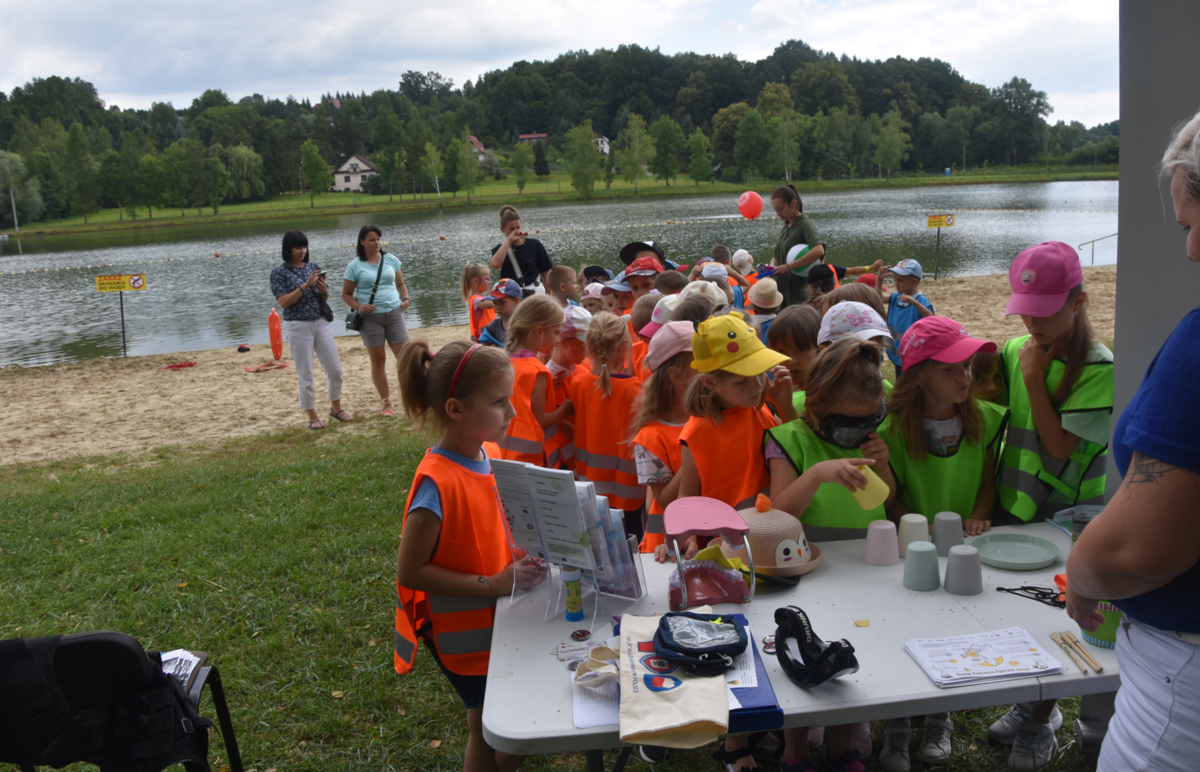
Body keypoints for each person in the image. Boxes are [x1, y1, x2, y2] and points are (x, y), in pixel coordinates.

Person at [1064, 111, 1200, 772]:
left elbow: (1134, 550)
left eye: (1193, 223)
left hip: (1183, 682)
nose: (1192, 250)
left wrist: (1084, 576)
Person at [987, 241, 1112, 772]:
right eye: (1024, 311)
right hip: (1015, 504)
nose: (1031, 324)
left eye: (1044, 312)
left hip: (1068, 517)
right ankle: (1031, 700)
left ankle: (1042, 716)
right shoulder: (1017, 349)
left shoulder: (1099, 367)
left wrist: (1035, 377)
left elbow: (1060, 449)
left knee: (1058, 613)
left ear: (1079, 302)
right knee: (1017, 606)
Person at [394, 339, 543, 772]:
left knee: (484, 721)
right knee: (503, 729)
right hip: (465, 637)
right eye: (498, 402)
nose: (512, 412)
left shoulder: (489, 452)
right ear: (456, 409)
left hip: (500, 620)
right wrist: (492, 584)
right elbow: (410, 570)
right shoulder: (436, 484)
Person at [877, 317, 1006, 772]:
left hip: (966, 546)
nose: (965, 377)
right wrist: (913, 527)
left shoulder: (984, 418)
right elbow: (890, 498)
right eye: (950, 369)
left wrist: (980, 514)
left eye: (967, 366)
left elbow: (987, 483)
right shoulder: (892, 428)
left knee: (953, 628)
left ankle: (939, 715)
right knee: (904, 624)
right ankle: (897, 718)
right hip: (910, 546)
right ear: (918, 375)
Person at [766, 337, 896, 772]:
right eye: (846, 427)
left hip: (863, 568)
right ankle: (795, 749)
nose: (858, 435)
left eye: (870, 422)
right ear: (814, 408)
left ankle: (842, 745)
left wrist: (883, 463)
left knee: (852, 653)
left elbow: (887, 496)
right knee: (801, 652)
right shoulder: (788, 439)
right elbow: (780, 513)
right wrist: (817, 474)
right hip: (807, 572)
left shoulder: (868, 439)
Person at [676, 311, 793, 523]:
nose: (757, 386)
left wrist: (785, 407)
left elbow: (795, 452)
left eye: (760, 373)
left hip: (776, 527)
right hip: (729, 534)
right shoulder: (695, 433)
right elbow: (686, 494)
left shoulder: (761, 410)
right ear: (709, 382)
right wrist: (688, 532)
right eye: (741, 381)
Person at [569, 312, 646, 540]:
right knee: (630, 544)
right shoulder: (634, 389)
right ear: (624, 347)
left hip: (590, 484)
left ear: (589, 346)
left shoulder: (578, 382)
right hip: (627, 490)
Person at [626, 322, 695, 556]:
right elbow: (664, 499)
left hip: (704, 541)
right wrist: (698, 448)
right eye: (698, 363)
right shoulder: (649, 437)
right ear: (676, 375)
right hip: (666, 551)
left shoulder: (707, 419)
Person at [270, 230, 347, 429]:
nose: (302, 251)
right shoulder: (279, 273)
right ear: (288, 249)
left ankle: (336, 407)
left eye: (304, 247)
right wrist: (305, 285)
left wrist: (323, 289)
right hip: (297, 324)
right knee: (306, 373)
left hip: (320, 321)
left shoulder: (313, 267)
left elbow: (324, 297)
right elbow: (283, 302)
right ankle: (312, 416)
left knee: (335, 369)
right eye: (298, 247)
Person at [342, 225, 410, 416]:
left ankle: (414, 396)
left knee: (406, 359)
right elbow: (346, 295)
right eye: (372, 240)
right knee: (378, 361)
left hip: (394, 314)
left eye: (378, 239)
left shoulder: (391, 260)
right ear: (362, 242)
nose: (377, 242)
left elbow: (400, 284)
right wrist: (360, 307)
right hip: (370, 319)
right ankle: (387, 403)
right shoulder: (355, 266)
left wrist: (405, 299)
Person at [498, 295, 572, 467]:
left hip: (503, 453)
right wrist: (564, 410)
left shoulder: (504, 361)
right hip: (531, 460)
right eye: (556, 333)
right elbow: (541, 420)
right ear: (539, 332)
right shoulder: (538, 371)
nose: (558, 340)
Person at [548, 306, 591, 470]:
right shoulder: (553, 376)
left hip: (583, 451)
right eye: (582, 347)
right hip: (567, 458)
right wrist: (590, 440)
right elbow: (560, 423)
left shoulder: (583, 364)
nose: (586, 352)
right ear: (563, 343)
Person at [769, 184, 826, 307]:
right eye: (775, 210)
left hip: (799, 293)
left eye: (781, 209)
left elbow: (819, 250)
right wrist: (771, 268)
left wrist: (789, 267)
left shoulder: (805, 224)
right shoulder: (786, 226)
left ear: (793, 204)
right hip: (782, 293)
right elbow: (776, 256)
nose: (778, 213)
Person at [877, 259, 934, 376]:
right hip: (898, 351)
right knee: (900, 378)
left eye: (900, 280)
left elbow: (931, 318)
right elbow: (878, 299)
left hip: (913, 353)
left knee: (910, 380)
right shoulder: (895, 297)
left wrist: (915, 304)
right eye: (895, 280)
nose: (896, 284)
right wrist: (879, 280)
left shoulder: (920, 300)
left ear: (914, 282)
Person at [767, 304, 822, 415]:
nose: (791, 361)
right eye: (781, 351)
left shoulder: (827, 393)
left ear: (820, 348)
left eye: (801, 349)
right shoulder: (770, 395)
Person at [489, 205, 552, 297]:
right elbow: (495, 264)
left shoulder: (535, 244)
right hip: (511, 296)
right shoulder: (500, 249)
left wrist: (549, 296)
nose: (516, 231)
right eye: (511, 229)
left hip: (535, 294)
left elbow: (546, 273)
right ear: (502, 229)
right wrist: (509, 240)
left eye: (518, 228)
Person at [478, 279, 523, 348]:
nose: (498, 307)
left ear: (517, 301)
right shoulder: (492, 327)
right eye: (495, 303)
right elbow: (483, 349)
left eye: (502, 302)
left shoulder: (525, 324)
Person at [461, 263, 496, 343]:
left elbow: (494, 309)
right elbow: (489, 304)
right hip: (482, 341)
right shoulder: (475, 300)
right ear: (476, 281)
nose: (490, 282)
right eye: (487, 279)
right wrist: (497, 296)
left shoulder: (484, 299)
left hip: (490, 337)